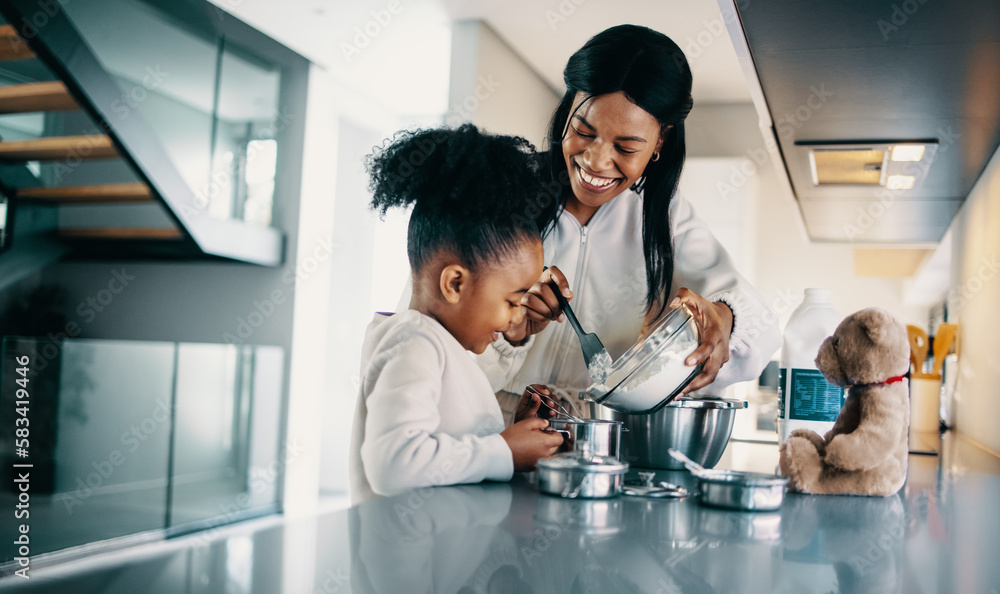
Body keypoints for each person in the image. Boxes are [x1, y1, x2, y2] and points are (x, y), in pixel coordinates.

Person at [475, 25, 783, 422]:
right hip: (487, 437)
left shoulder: (664, 217)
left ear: (660, 141)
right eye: (583, 131)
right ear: (568, 108)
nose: (597, 162)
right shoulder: (502, 196)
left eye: (625, 147)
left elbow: (760, 327)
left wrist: (718, 319)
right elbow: (436, 337)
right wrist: (512, 328)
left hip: (593, 447)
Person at [349, 124, 564, 503]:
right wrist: (504, 450)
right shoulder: (413, 345)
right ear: (455, 284)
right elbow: (394, 465)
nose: (517, 318)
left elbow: (446, 449)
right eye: (512, 301)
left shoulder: (438, 346)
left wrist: (511, 434)